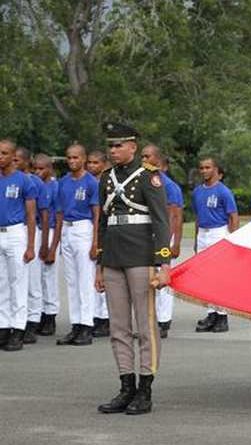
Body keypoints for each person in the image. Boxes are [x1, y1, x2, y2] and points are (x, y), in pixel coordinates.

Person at [94, 122, 170, 415]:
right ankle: (126, 386)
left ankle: (145, 389)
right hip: (113, 257)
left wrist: (163, 263)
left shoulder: (149, 177)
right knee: (119, 327)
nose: (113, 151)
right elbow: (103, 221)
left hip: (141, 257)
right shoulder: (106, 178)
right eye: (110, 146)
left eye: (118, 145)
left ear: (133, 147)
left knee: (145, 326)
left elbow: (161, 222)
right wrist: (100, 264)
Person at [52, 144, 99, 346]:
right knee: (71, 281)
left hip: (83, 228)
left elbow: (97, 213)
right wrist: (58, 241)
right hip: (67, 230)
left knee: (85, 280)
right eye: (69, 158)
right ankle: (76, 324)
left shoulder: (91, 182)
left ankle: (87, 326)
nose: (72, 161)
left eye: (76, 158)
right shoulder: (62, 182)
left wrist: (96, 241)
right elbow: (60, 212)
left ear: (83, 158)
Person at [192, 157, 238, 333]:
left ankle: (222, 316)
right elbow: (197, 216)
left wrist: (232, 240)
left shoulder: (223, 191)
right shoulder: (197, 191)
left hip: (219, 232)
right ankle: (211, 313)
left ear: (215, 169)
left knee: (220, 276)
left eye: (207, 167)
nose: (204, 170)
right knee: (206, 276)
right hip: (203, 233)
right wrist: (197, 239)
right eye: (201, 168)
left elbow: (233, 216)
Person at [141, 144, 183, 338]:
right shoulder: (141, 181)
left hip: (163, 235)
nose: (144, 160)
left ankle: (163, 321)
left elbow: (174, 216)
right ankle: (149, 319)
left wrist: (173, 243)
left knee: (163, 276)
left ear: (158, 161)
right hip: (145, 234)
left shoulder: (169, 186)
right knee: (147, 277)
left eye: (148, 156)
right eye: (142, 156)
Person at [0, 139, 37, 351]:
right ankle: (3, 326)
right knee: (2, 283)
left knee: (18, 282)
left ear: (13, 156)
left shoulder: (24, 181)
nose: (0, 157)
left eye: (4, 153)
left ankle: (18, 328)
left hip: (16, 233)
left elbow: (31, 216)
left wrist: (31, 245)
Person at [13, 147, 50, 344]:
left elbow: (44, 213)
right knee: (15, 280)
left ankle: (32, 321)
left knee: (33, 281)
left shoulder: (34, 182)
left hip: (31, 231)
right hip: (15, 231)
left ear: (26, 162)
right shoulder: (8, 179)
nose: (14, 162)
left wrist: (43, 242)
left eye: (18, 159)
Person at [33, 154, 60, 336]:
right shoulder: (35, 185)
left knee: (49, 276)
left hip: (49, 231)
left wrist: (51, 246)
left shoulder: (55, 187)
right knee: (36, 278)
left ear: (49, 169)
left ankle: (50, 316)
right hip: (36, 231)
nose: (38, 172)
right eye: (35, 168)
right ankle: (39, 313)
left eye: (41, 169)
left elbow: (58, 215)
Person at [88, 149, 111, 337]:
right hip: (92, 229)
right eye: (90, 162)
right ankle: (96, 315)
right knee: (95, 275)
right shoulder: (90, 183)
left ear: (104, 164)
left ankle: (105, 318)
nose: (91, 166)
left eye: (96, 163)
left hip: (109, 230)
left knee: (106, 273)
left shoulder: (108, 182)